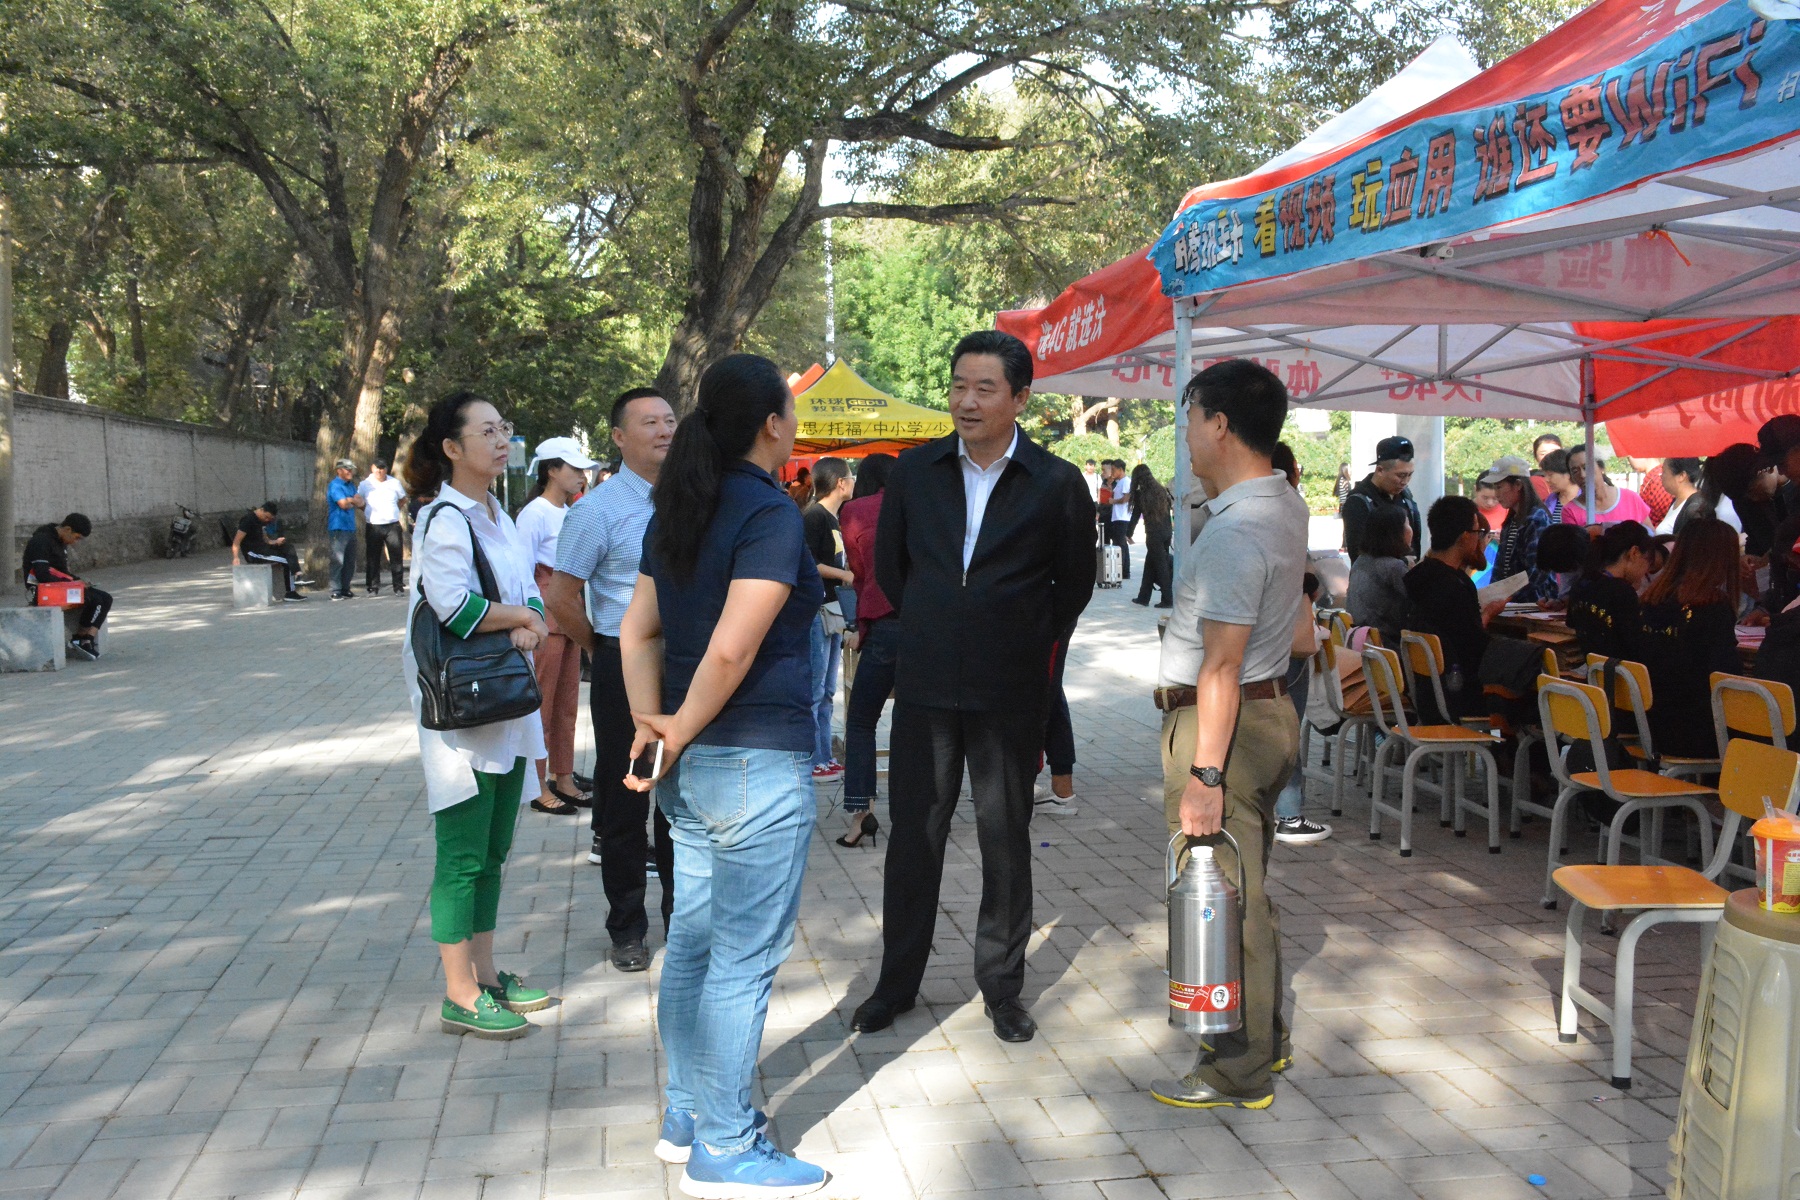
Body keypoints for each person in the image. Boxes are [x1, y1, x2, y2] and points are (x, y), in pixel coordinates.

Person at [618, 354, 829, 1196]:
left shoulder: (681, 506)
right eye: (792, 412)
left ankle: (686, 1116)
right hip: (751, 763)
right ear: (773, 424)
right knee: (741, 960)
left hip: (691, 766)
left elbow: (636, 633)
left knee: (695, 947)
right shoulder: (769, 512)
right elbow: (732, 651)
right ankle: (727, 1144)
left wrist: (655, 726)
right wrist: (673, 726)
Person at [852, 330, 1095, 1045]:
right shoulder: (915, 472)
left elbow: (1074, 585)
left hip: (1009, 690)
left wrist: (1016, 632)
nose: (967, 401)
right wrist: (940, 621)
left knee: (1004, 838)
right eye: (959, 386)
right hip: (925, 683)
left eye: (984, 388)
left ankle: (1002, 988)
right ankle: (896, 984)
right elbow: (893, 571)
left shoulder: (1055, 482)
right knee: (914, 839)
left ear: (1020, 398)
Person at [1149, 358, 1306, 1110]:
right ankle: (1265, 1039)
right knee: (1246, 888)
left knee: (1219, 897)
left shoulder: (1237, 531)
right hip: (1265, 716)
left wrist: (1205, 776)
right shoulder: (1283, 502)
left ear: (1218, 424)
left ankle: (1236, 1070)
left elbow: (1221, 665)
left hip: (1223, 728)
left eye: (1189, 421)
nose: (1185, 437)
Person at [402, 391, 552, 1040]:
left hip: (505, 700)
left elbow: (529, 595)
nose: (499, 440)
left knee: (494, 849)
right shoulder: (444, 519)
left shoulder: (499, 515)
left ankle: (486, 975)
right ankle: (458, 994)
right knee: (462, 855)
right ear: (452, 448)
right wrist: (519, 619)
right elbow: (453, 607)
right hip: (461, 712)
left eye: (503, 429)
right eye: (485, 431)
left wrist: (529, 620)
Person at [545, 386, 679, 972]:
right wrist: (601, 649)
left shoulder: (694, 499)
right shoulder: (595, 510)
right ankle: (627, 927)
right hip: (622, 664)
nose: (664, 430)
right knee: (628, 795)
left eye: (669, 420)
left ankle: (684, 922)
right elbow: (561, 596)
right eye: (649, 422)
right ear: (620, 438)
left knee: (681, 796)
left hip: (686, 664)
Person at [517, 436, 600, 817]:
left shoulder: (570, 510)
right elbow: (521, 571)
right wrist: (528, 619)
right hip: (545, 612)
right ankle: (536, 784)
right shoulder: (534, 513)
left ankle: (562, 776)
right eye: (574, 468)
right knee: (542, 704)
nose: (582, 475)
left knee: (566, 704)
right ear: (551, 470)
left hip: (570, 608)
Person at [1637, 518, 1743, 759]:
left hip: (1653, 724)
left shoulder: (1652, 599)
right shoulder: (1713, 606)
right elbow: (1726, 674)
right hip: (1697, 731)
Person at [839, 453, 899, 846]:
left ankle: (862, 816)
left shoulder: (854, 511)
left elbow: (860, 576)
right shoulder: (918, 506)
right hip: (929, 629)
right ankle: (918, 815)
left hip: (883, 628)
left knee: (861, 722)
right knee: (919, 724)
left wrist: (861, 628)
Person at [1404, 496, 1505, 721]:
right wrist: (1488, 614)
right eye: (1478, 532)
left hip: (1428, 693)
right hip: (1460, 696)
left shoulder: (1417, 577)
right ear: (1464, 536)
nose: (1479, 538)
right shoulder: (1455, 586)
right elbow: (1474, 648)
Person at [803, 457, 855, 782]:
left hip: (833, 611)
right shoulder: (815, 516)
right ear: (840, 482)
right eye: (851, 477)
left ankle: (824, 756)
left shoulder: (834, 517)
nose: (854, 482)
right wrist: (846, 575)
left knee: (826, 690)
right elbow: (809, 563)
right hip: (817, 612)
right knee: (816, 688)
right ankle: (813, 759)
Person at [22, 513, 111, 660]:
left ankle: (86, 638)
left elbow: (62, 572)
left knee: (106, 598)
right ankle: (81, 640)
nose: (75, 542)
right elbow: (42, 575)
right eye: (76, 537)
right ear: (68, 529)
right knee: (93, 599)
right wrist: (72, 585)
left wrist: (77, 581)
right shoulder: (41, 541)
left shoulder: (60, 542)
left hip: (58, 587)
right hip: (41, 590)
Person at [1566, 520, 1654, 660]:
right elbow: (1636, 646)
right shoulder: (1622, 592)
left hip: (1594, 669)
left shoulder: (1581, 583)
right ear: (1634, 553)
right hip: (1622, 671)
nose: (1646, 571)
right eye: (1648, 561)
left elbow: (1571, 622)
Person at [1483, 455, 1557, 603]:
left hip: (1536, 604)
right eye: (1495, 488)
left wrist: (1505, 597)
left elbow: (1537, 572)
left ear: (1518, 485)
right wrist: (1493, 596)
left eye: (1499, 487)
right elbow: (1500, 567)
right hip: (1513, 604)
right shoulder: (1511, 521)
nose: (1496, 494)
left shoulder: (1536, 519)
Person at [1340, 435, 1420, 562]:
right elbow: (1359, 557)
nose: (1405, 481)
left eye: (1410, 475)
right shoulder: (1358, 502)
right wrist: (1403, 562)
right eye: (1401, 475)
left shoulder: (1406, 496)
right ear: (1380, 470)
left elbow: (1415, 545)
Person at [1345, 505, 1412, 648]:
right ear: (1395, 532)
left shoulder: (1360, 561)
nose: (1411, 530)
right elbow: (1417, 604)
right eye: (1407, 524)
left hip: (1362, 644)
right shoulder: (1394, 567)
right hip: (1389, 648)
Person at [1707, 442, 1780, 558]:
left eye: (1752, 490)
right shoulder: (1743, 502)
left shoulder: (1794, 489)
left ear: (1764, 469)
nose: (1753, 499)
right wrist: (1750, 559)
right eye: (1746, 497)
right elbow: (1755, 541)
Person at [1561, 445, 1653, 528]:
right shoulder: (1570, 512)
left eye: (1586, 467)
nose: (1582, 475)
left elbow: (1651, 534)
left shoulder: (1630, 498)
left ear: (1601, 468)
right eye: (1575, 471)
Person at [232, 501, 305, 601]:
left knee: (288, 547)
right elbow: (236, 541)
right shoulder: (247, 520)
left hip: (264, 549)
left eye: (269, 519)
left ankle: (298, 574)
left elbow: (266, 540)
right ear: (262, 510)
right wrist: (236, 557)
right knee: (286, 560)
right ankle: (290, 592)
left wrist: (276, 542)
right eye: (266, 517)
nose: (267, 520)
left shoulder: (261, 521)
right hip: (253, 553)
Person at [358, 457, 410, 595]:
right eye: (377, 468)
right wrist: (366, 510)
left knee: (396, 556)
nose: (379, 471)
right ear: (372, 469)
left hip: (392, 524)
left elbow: (403, 498)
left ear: (386, 469)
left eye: (382, 469)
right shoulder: (365, 484)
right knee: (373, 557)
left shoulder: (394, 482)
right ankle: (373, 587)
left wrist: (395, 509)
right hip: (373, 525)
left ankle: (398, 586)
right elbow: (358, 499)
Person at [1658, 457, 1741, 535]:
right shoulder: (1676, 501)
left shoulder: (1695, 507)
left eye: (1664, 471)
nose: (1661, 476)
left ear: (1681, 476)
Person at [1130, 464, 1174, 607]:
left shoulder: (1141, 494)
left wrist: (1128, 533)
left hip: (1154, 535)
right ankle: (1143, 597)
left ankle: (1168, 599)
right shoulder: (1161, 490)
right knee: (1150, 566)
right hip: (1166, 532)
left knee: (1162, 568)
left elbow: (1135, 515)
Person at [327, 458, 359, 600]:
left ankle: (346, 588)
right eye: (347, 469)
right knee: (338, 560)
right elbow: (343, 504)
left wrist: (350, 500)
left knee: (349, 561)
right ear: (339, 470)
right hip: (338, 526)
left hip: (350, 527)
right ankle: (336, 590)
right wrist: (351, 500)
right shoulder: (335, 485)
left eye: (351, 469)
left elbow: (360, 501)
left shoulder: (350, 485)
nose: (350, 471)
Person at [1105, 459, 1134, 580]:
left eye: (1114, 470)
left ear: (1120, 469)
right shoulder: (1119, 482)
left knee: (1121, 545)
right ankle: (1121, 569)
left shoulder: (1126, 481)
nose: (1112, 472)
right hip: (1117, 517)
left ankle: (1124, 571)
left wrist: (1114, 501)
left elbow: (1126, 498)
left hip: (1123, 517)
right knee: (1119, 543)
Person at [1540, 448, 1579, 523]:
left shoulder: (1587, 500)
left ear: (1568, 473)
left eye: (1550, 475)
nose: (1546, 479)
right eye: (1545, 475)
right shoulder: (1550, 500)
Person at [1632, 457, 1674, 525]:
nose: (1629, 462)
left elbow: (1659, 519)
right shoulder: (1653, 478)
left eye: (1629, 457)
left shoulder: (1658, 480)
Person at [1530, 433, 1563, 502]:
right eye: (1543, 453)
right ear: (1536, 457)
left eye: (1554, 452)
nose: (1548, 456)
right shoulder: (1535, 480)